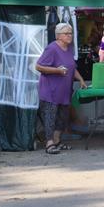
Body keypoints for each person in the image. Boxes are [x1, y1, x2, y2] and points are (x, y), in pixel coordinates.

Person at [36, 23, 87, 155]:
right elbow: (39, 66)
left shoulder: (68, 49)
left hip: (64, 92)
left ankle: (57, 140)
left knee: (62, 118)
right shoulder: (52, 49)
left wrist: (81, 80)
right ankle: (49, 143)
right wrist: (56, 70)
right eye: (66, 33)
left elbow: (72, 67)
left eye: (70, 33)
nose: (70, 36)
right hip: (50, 91)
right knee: (50, 117)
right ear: (58, 36)